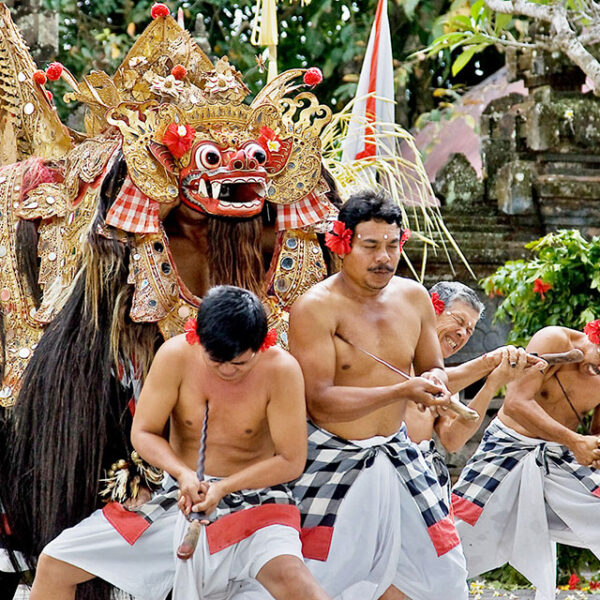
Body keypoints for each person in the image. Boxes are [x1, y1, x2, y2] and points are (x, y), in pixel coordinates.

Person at [30, 286, 330, 600]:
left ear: (260, 345)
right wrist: (184, 474)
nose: (228, 370)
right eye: (217, 362)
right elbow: (143, 432)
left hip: (256, 500)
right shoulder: (175, 355)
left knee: (297, 585)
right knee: (55, 562)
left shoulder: (281, 369)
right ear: (197, 338)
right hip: (178, 495)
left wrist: (222, 489)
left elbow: (290, 460)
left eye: (239, 364)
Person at [287, 190, 469, 600]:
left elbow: (431, 364)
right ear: (342, 245)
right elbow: (317, 400)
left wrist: (435, 382)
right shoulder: (316, 308)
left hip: (400, 454)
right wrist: (401, 390)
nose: (383, 258)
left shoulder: (414, 297)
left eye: (392, 245)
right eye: (370, 246)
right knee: (319, 579)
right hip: (333, 458)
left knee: (443, 575)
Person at [452, 324, 600, 600]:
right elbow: (516, 403)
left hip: (560, 457)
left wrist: (590, 448)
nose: (596, 370)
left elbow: (594, 435)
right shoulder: (555, 339)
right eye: (598, 360)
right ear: (593, 335)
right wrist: (574, 441)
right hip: (507, 449)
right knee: (451, 539)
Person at [404, 281, 545, 500]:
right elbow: (422, 382)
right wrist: (489, 362)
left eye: (470, 330)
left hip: (420, 476)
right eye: (459, 321)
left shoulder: (446, 377)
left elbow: (453, 440)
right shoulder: (397, 352)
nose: (462, 334)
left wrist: (491, 385)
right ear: (432, 310)